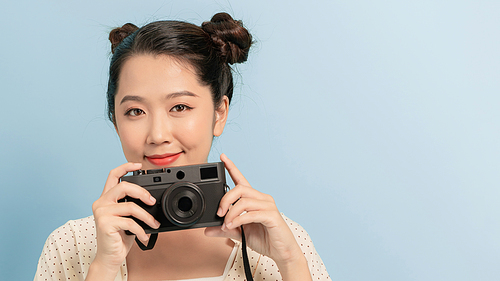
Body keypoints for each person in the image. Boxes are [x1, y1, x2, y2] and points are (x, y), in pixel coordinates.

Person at [34, 12, 330, 281]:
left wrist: (290, 262)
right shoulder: (70, 245)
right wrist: (103, 267)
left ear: (219, 113)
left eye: (179, 106)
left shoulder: (282, 240)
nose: (158, 135)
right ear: (115, 122)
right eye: (135, 111)